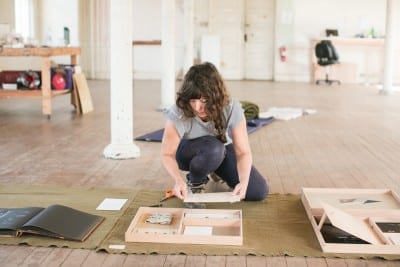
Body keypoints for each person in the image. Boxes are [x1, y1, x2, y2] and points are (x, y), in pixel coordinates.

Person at [161, 62, 269, 205]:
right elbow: (167, 154)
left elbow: (243, 152)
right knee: (213, 148)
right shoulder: (179, 110)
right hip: (187, 153)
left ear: (216, 97)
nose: (198, 107)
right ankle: (195, 183)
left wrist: (243, 182)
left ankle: (213, 167)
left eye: (204, 101)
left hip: (219, 149)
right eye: (193, 100)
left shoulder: (231, 107)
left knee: (257, 191)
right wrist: (178, 180)